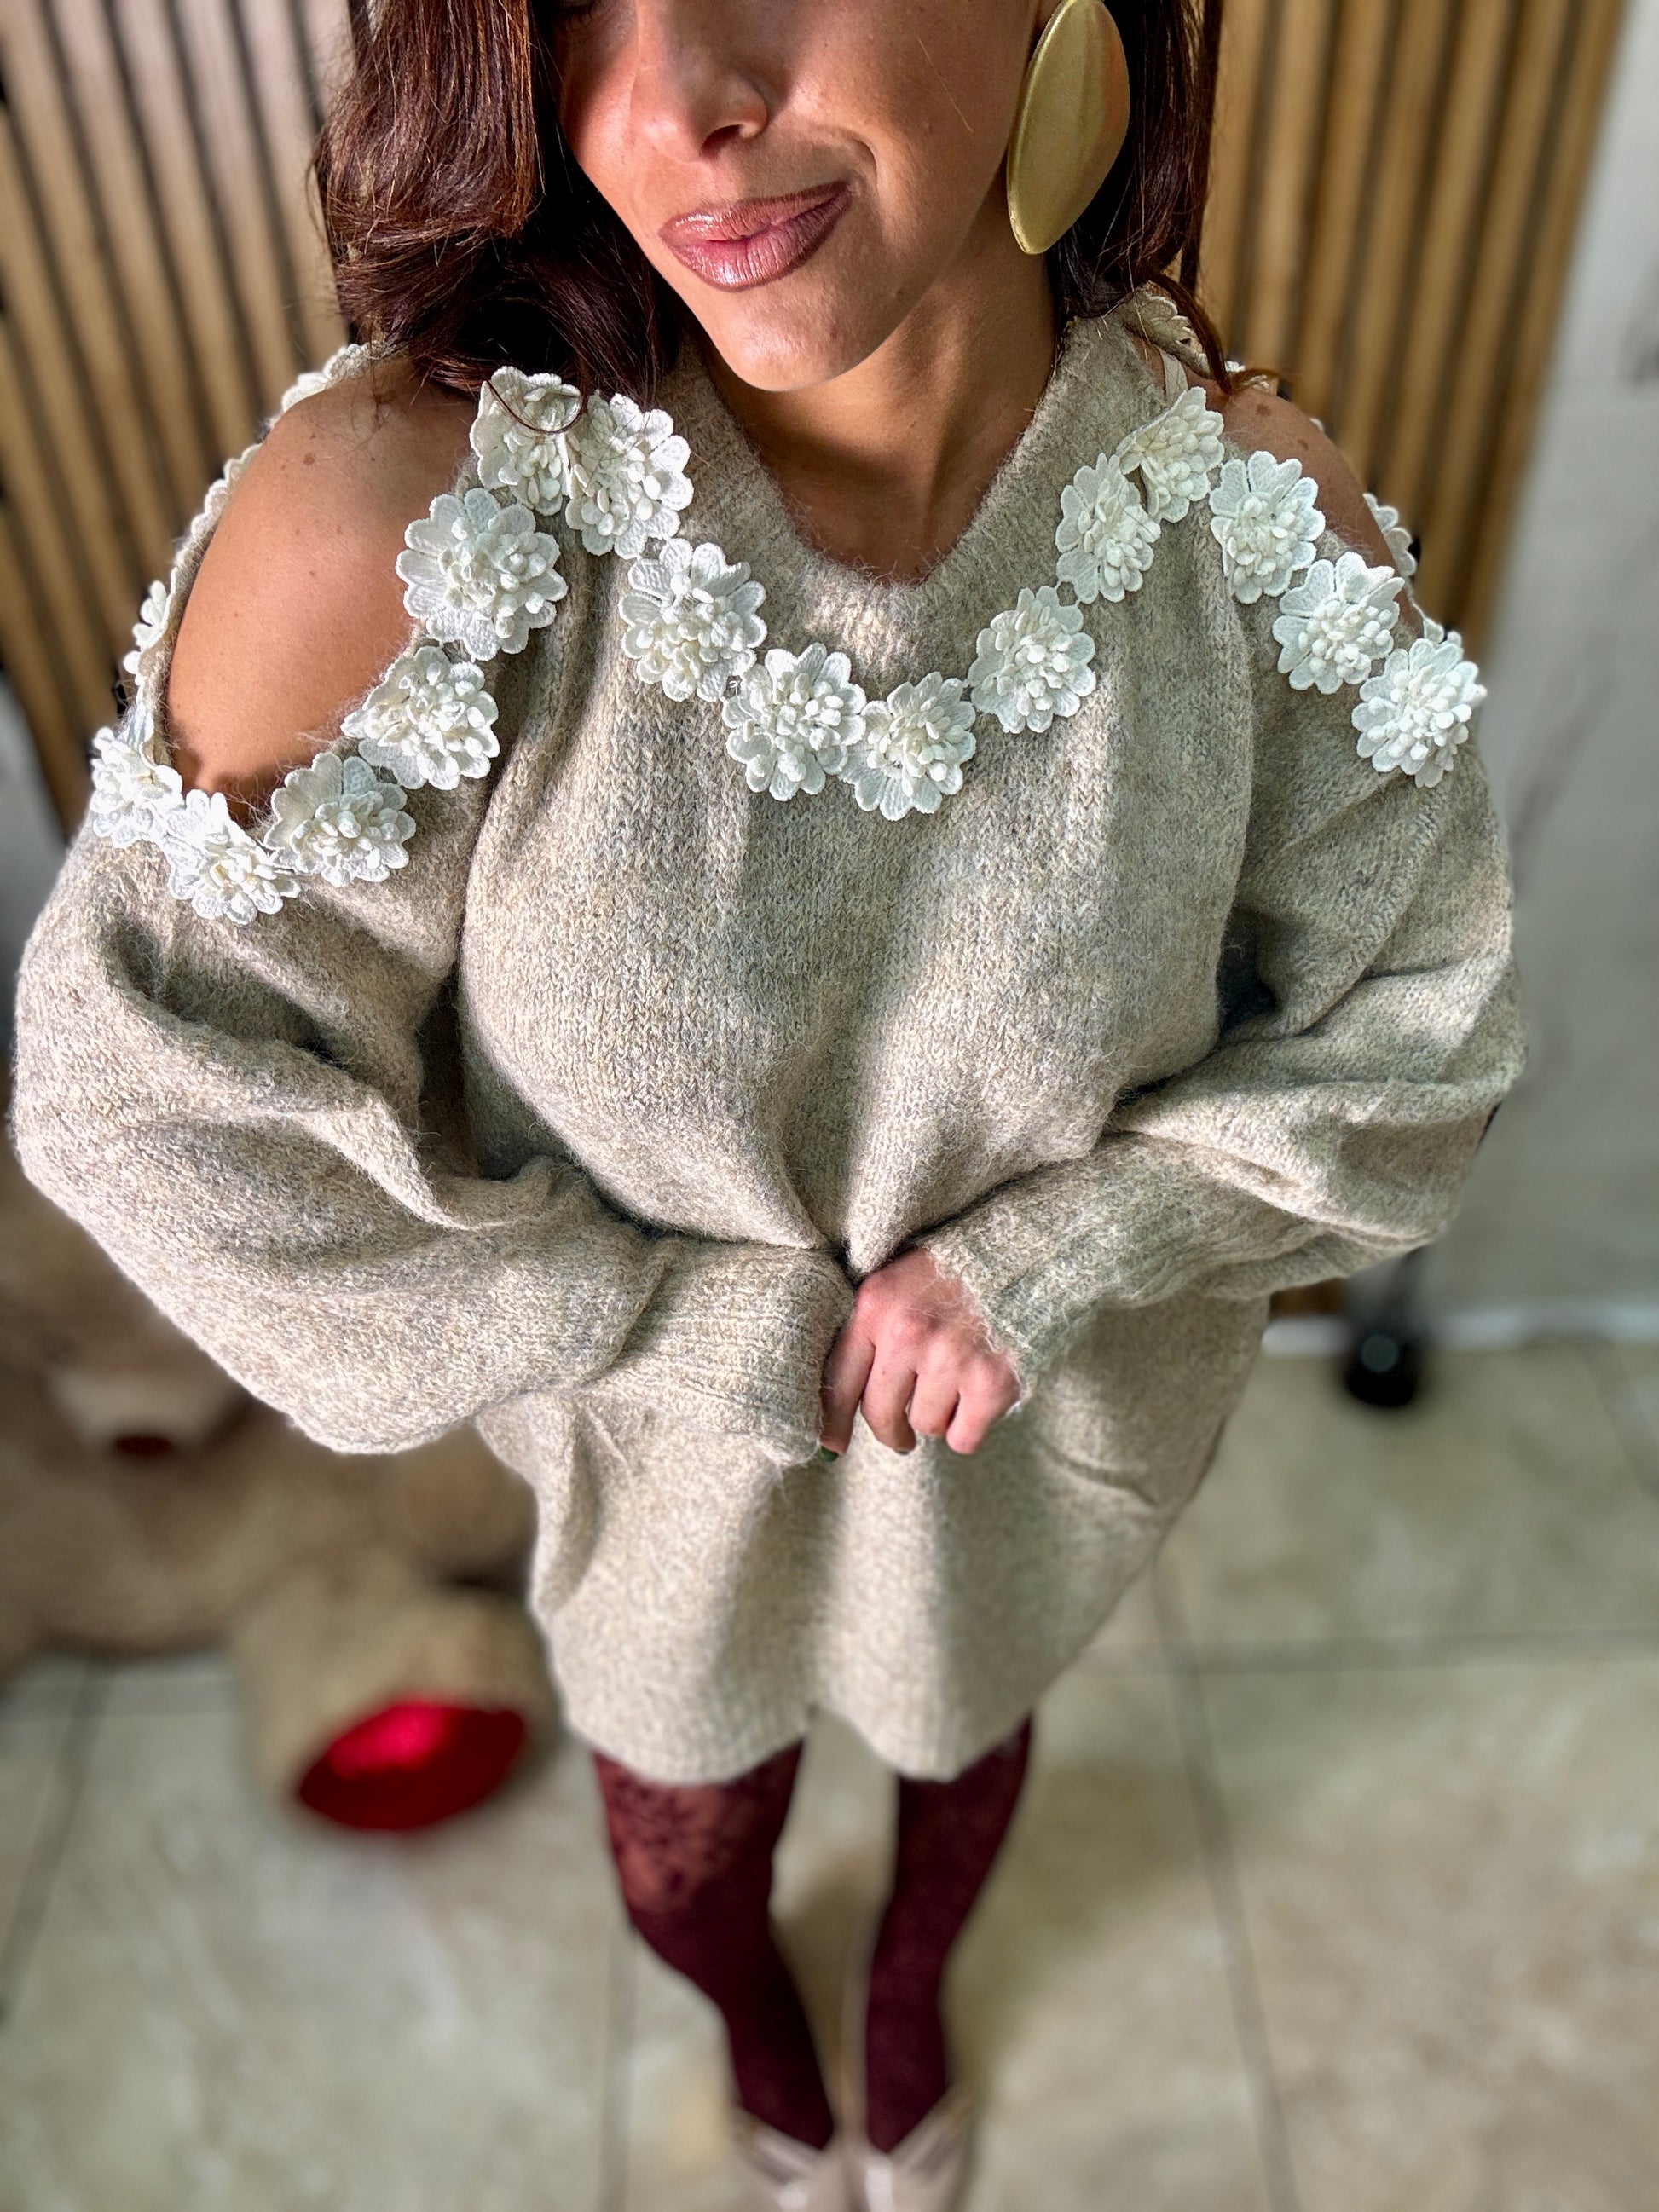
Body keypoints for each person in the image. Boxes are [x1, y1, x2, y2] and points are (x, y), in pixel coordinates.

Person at [9, 1, 1523, 2204]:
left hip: (1030, 1457)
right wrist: (662, 1320)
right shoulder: (417, 534)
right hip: (657, 1495)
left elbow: (1425, 1028)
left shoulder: (1244, 530)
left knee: (966, 1742)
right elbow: (150, 1112)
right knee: (687, 1855)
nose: (667, 109)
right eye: (574, 11)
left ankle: (910, 1998)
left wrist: (1067, 1251)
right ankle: (758, 2032)